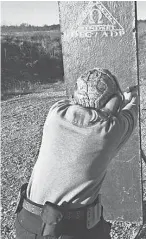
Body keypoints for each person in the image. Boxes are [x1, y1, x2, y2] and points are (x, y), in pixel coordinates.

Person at [14, 68, 139, 239]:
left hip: (27, 225)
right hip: (73, 231)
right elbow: (130, 111)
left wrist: (112, 102)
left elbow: (80, 105)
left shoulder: (56, 112)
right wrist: (126, 99)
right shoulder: (109, 131)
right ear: (113, 101)